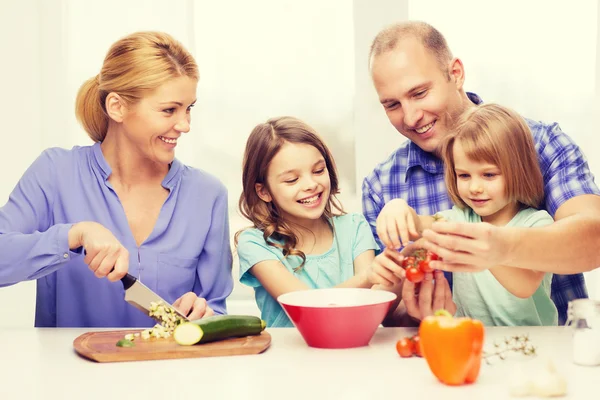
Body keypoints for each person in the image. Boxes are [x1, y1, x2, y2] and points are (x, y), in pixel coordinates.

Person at [362, 21, 600, 325]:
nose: (410, 117)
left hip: (552, 355)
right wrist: (412, 312)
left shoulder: (541, 144)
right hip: (453, 350)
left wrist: (502, 246)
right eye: (392, 105)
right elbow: (383, 310)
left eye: (420, 93)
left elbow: (595, 239)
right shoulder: (382, 185)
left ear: (456, 73)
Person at [0, 31, 233, 327]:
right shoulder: (55, 172)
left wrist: (204, 313)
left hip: (172, 371)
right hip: (68, 372)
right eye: (169, 110)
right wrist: (74, 234)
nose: (184, 125)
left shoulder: (207, 195)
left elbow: (216, 308)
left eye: (189, 109)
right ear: (117, 107)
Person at [371, 103, 558, 326]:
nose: (475, 187)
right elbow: (419, 224)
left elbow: (524, 285)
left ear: (519, 170)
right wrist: (397, 207)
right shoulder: (459, 219)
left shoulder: (537, 223)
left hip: (528, 344)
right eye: (464, 175)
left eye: (488, 175)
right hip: (469, 341)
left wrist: (482, 245)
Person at [235, 116, 400, 327]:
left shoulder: (355, 227)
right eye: (292, 180)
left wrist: (401, 272)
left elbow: (373, 307)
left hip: (353, 352)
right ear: (264, 191)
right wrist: (368, 277)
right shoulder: (255, 244)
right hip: (287, 358)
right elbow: (307, 307)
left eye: (318, 171)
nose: (311, 184)